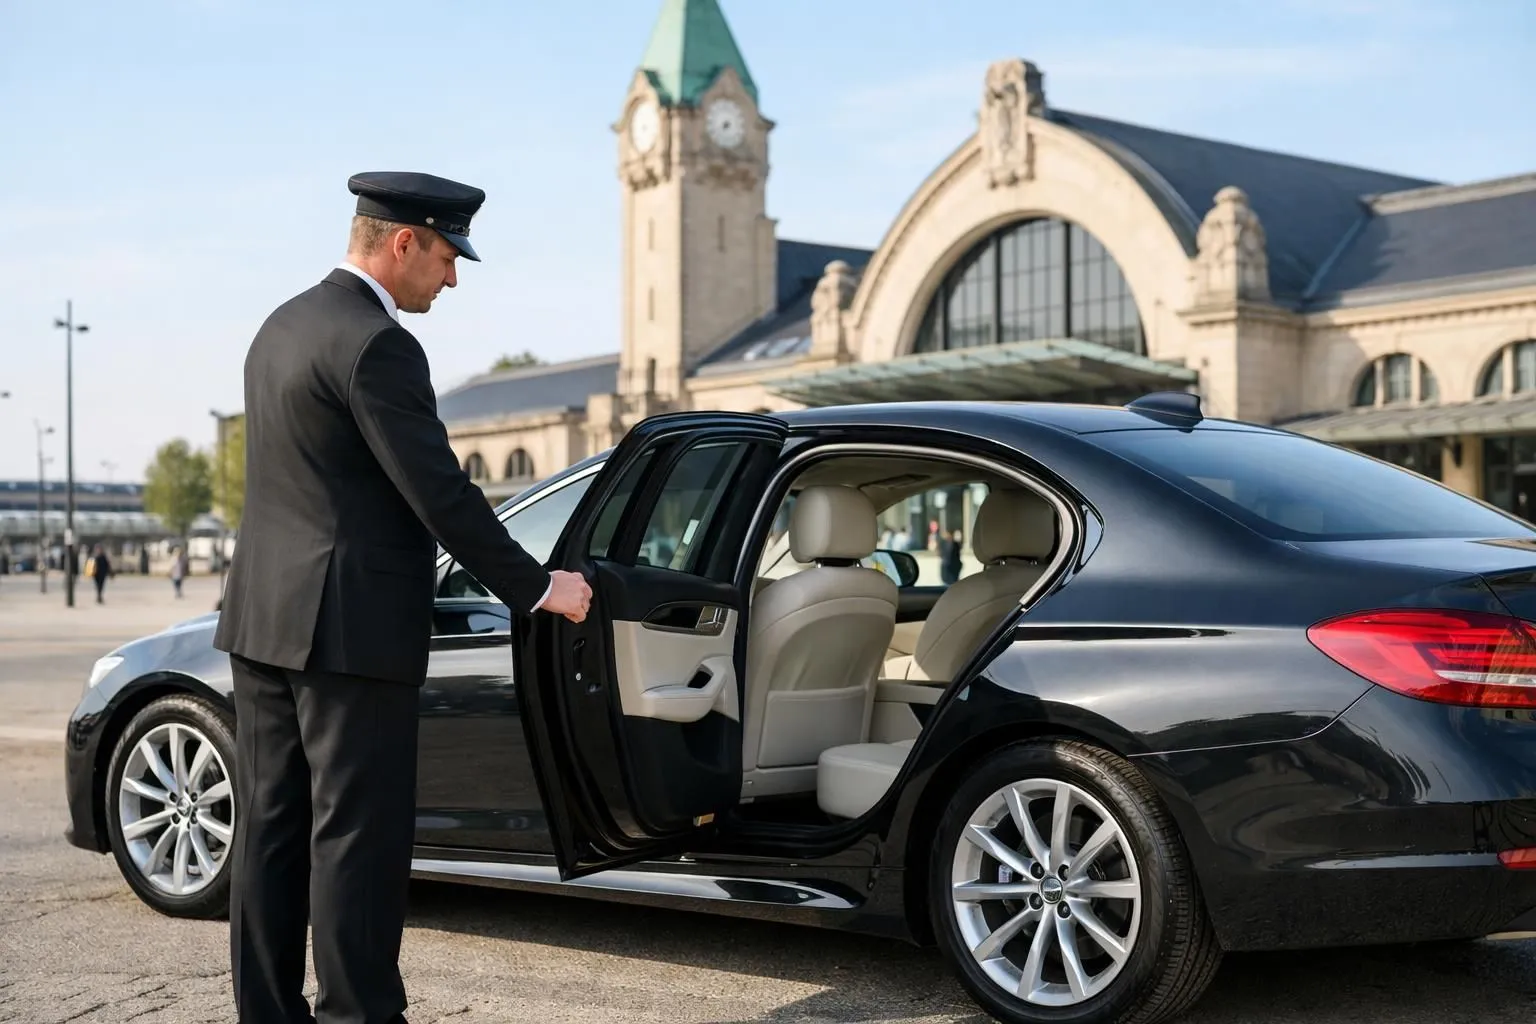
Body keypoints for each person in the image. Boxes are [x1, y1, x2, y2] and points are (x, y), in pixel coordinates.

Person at [211, 171, 593, 1024]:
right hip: (348, 632)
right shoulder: (378, 345)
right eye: (450, 257)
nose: (452, 279)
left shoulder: (281, 326)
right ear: (404, 241)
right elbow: (440, 494)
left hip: (262, 621)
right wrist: (540, 586)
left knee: (271, 831)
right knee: (356, 838)